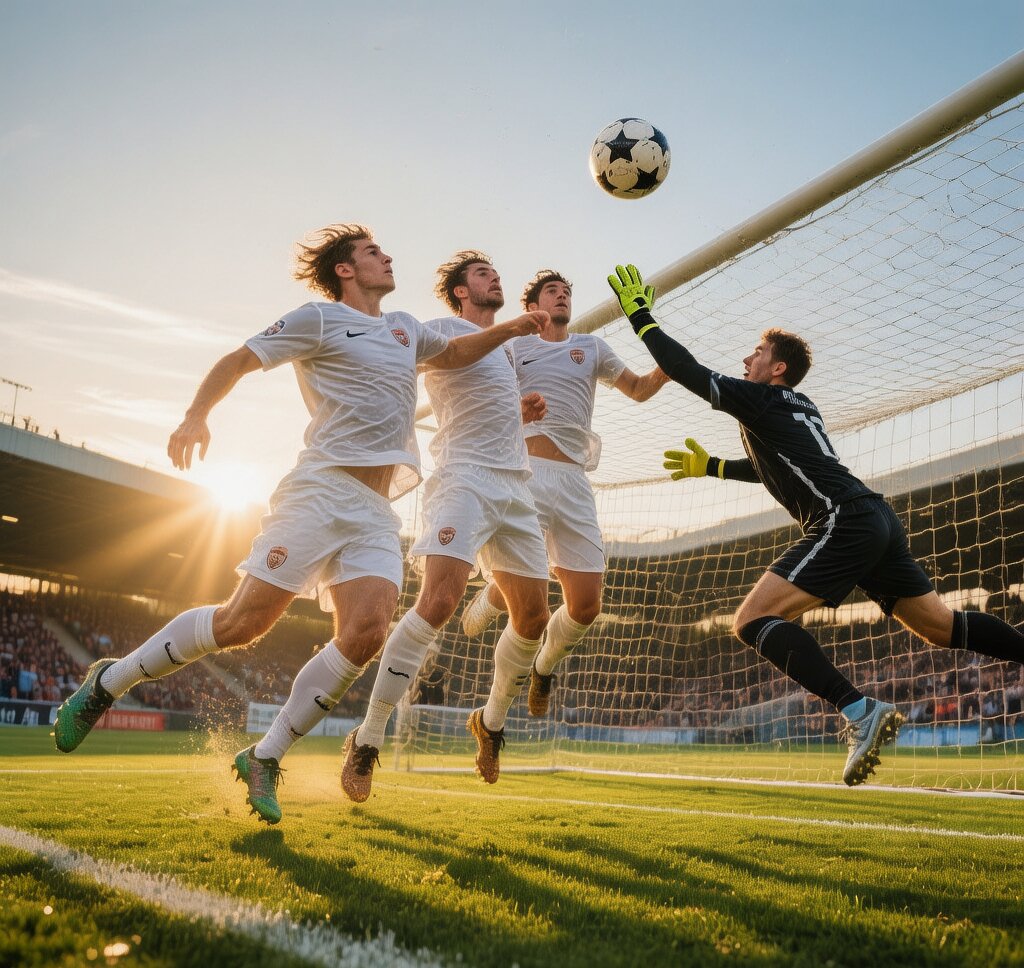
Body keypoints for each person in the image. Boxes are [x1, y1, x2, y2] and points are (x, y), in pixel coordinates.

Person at [53, 225, 544, 824]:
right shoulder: (317, 319)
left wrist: (510, 330)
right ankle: (110, 681)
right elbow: (239, 359)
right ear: (345, 270)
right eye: (372, 253)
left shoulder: (407, 328)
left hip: (375, 508)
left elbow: (457, 353)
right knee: (243, 623)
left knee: (366, 632)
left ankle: (266, 756)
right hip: (320, 489)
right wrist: (195, 416)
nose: (387, 257)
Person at [607, 263, 1024, 785]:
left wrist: (640, 316)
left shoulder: (759, 398)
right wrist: (711, 467)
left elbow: (688, 371)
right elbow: (776, 469)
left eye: (756, 353)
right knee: (945, 628)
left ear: (776, 368)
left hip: (841, 520)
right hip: (874, 518)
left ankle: (859, 711)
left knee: (751, 622)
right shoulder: (796, 407)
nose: (746, 359)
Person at [340, 251, 551, 800]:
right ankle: (367, 738)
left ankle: (491, 722)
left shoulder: (504, 354)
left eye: (496, 272)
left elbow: (480, 400)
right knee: (438, 601)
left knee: (533, 616)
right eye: (482, 275)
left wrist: (519, 411)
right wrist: (514, 327)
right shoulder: (442, 329)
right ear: (460, 292)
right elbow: (440, 360)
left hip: (515, 484)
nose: (495, 277)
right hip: (465, 480)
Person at [461, 269, 669, 718]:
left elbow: (637, 389)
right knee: (526, 595)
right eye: (553, 291)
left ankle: (544, 665)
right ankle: (492, 595)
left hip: (574, 482)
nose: (563, 297)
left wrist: (668, 367)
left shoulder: (591, 347)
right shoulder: (513, 347)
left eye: (568, 292)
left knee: (587, 605)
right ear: (533, 304)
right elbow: (486, 405)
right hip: (525, 476)